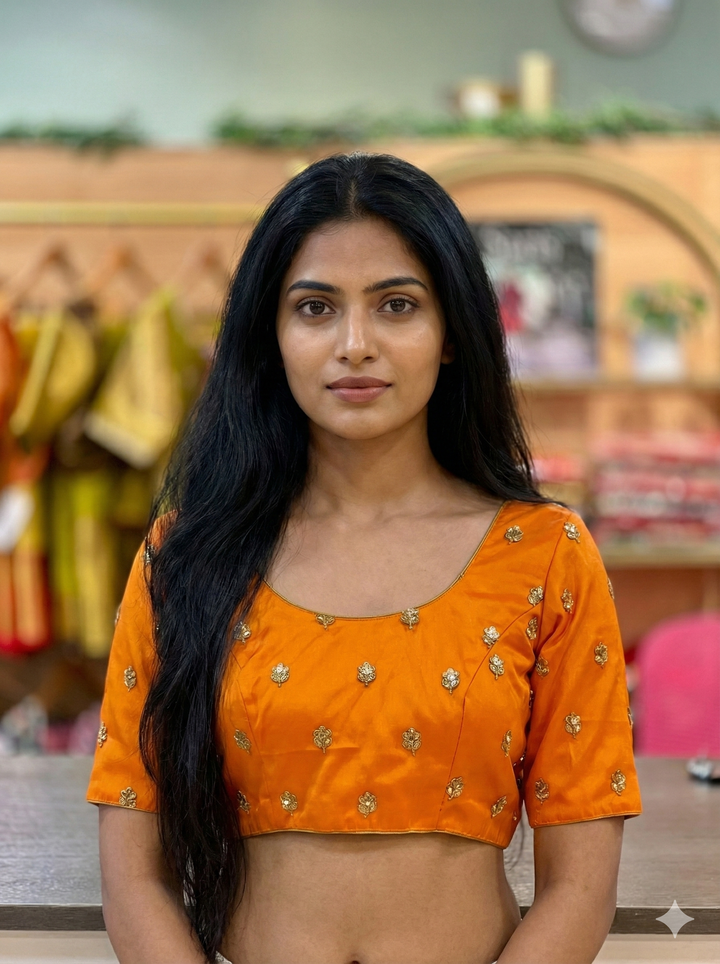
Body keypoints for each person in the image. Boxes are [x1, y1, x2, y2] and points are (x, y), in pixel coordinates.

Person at [86, 152, 642, 964]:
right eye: (315, 308)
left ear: (452, 333)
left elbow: (579, 888)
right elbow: (134, 879)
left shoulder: (545, 555)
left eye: (396, 306)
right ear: (270, 335)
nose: (355, 345)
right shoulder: (184, 557)